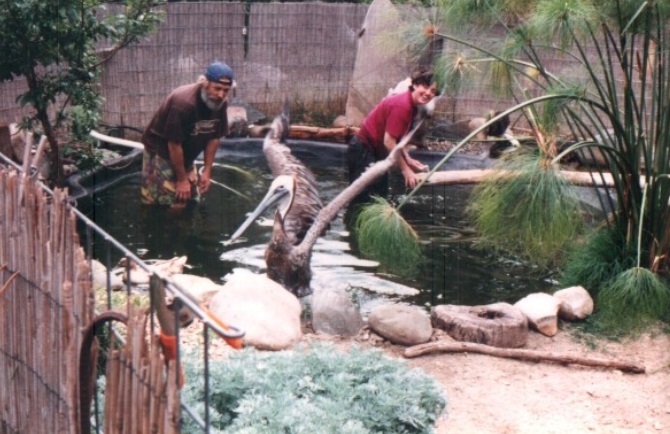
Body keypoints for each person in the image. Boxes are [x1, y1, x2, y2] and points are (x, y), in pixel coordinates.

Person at [140, 61, 234, 208]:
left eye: (226, 90)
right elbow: (173, 144)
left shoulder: (221, 103)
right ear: (205, 84)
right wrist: (182, 180)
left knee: (191, 198)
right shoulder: (183, 103)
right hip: (161, 150)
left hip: (187, 151)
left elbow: (214, 138)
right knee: (169, 201)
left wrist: (207, 171)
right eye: (217, 88)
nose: (221, 95)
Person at [346, 66, 437, 206]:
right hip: (363, 150)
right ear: (414, 84)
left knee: (380, 197)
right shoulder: (403, 106)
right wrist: (406, 170)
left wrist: (408, 160)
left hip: (375, 153)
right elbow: (389, 142)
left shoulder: (412, 106)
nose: (428, 93)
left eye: (433, 91)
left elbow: (397, 140)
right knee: (361, 201)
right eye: (425, 87)